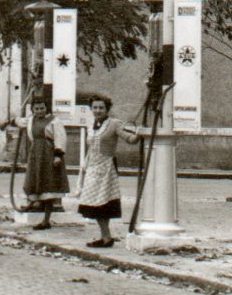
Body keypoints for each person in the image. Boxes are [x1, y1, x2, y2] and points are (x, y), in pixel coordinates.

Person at [75, 93, 143, 248]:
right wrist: (84, 168)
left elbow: (129, 139)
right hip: (92, 167)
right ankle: (105, 236)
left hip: (106, 169)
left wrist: (138, 134)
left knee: (103, 203)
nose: (98, 111)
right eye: (95, 108)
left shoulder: (114, 124)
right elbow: (91, 148)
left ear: (107, 109)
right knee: (93, 203)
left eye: (101, 108)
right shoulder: (91, 125)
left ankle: (106, 237)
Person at [21, 95, 69, 229]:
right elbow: (21, 122)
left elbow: (60, 137)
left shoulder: (54, 121)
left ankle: (46, 220)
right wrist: (9, 122)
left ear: (46, 108)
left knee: (49, 185)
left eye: (42, 108)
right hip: (35, 154)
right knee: (34, 181)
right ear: (33, 110)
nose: (39, 111)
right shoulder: (31, 120)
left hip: (48, 153)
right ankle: (34, 208)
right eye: (36, 109)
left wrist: (58, 155)